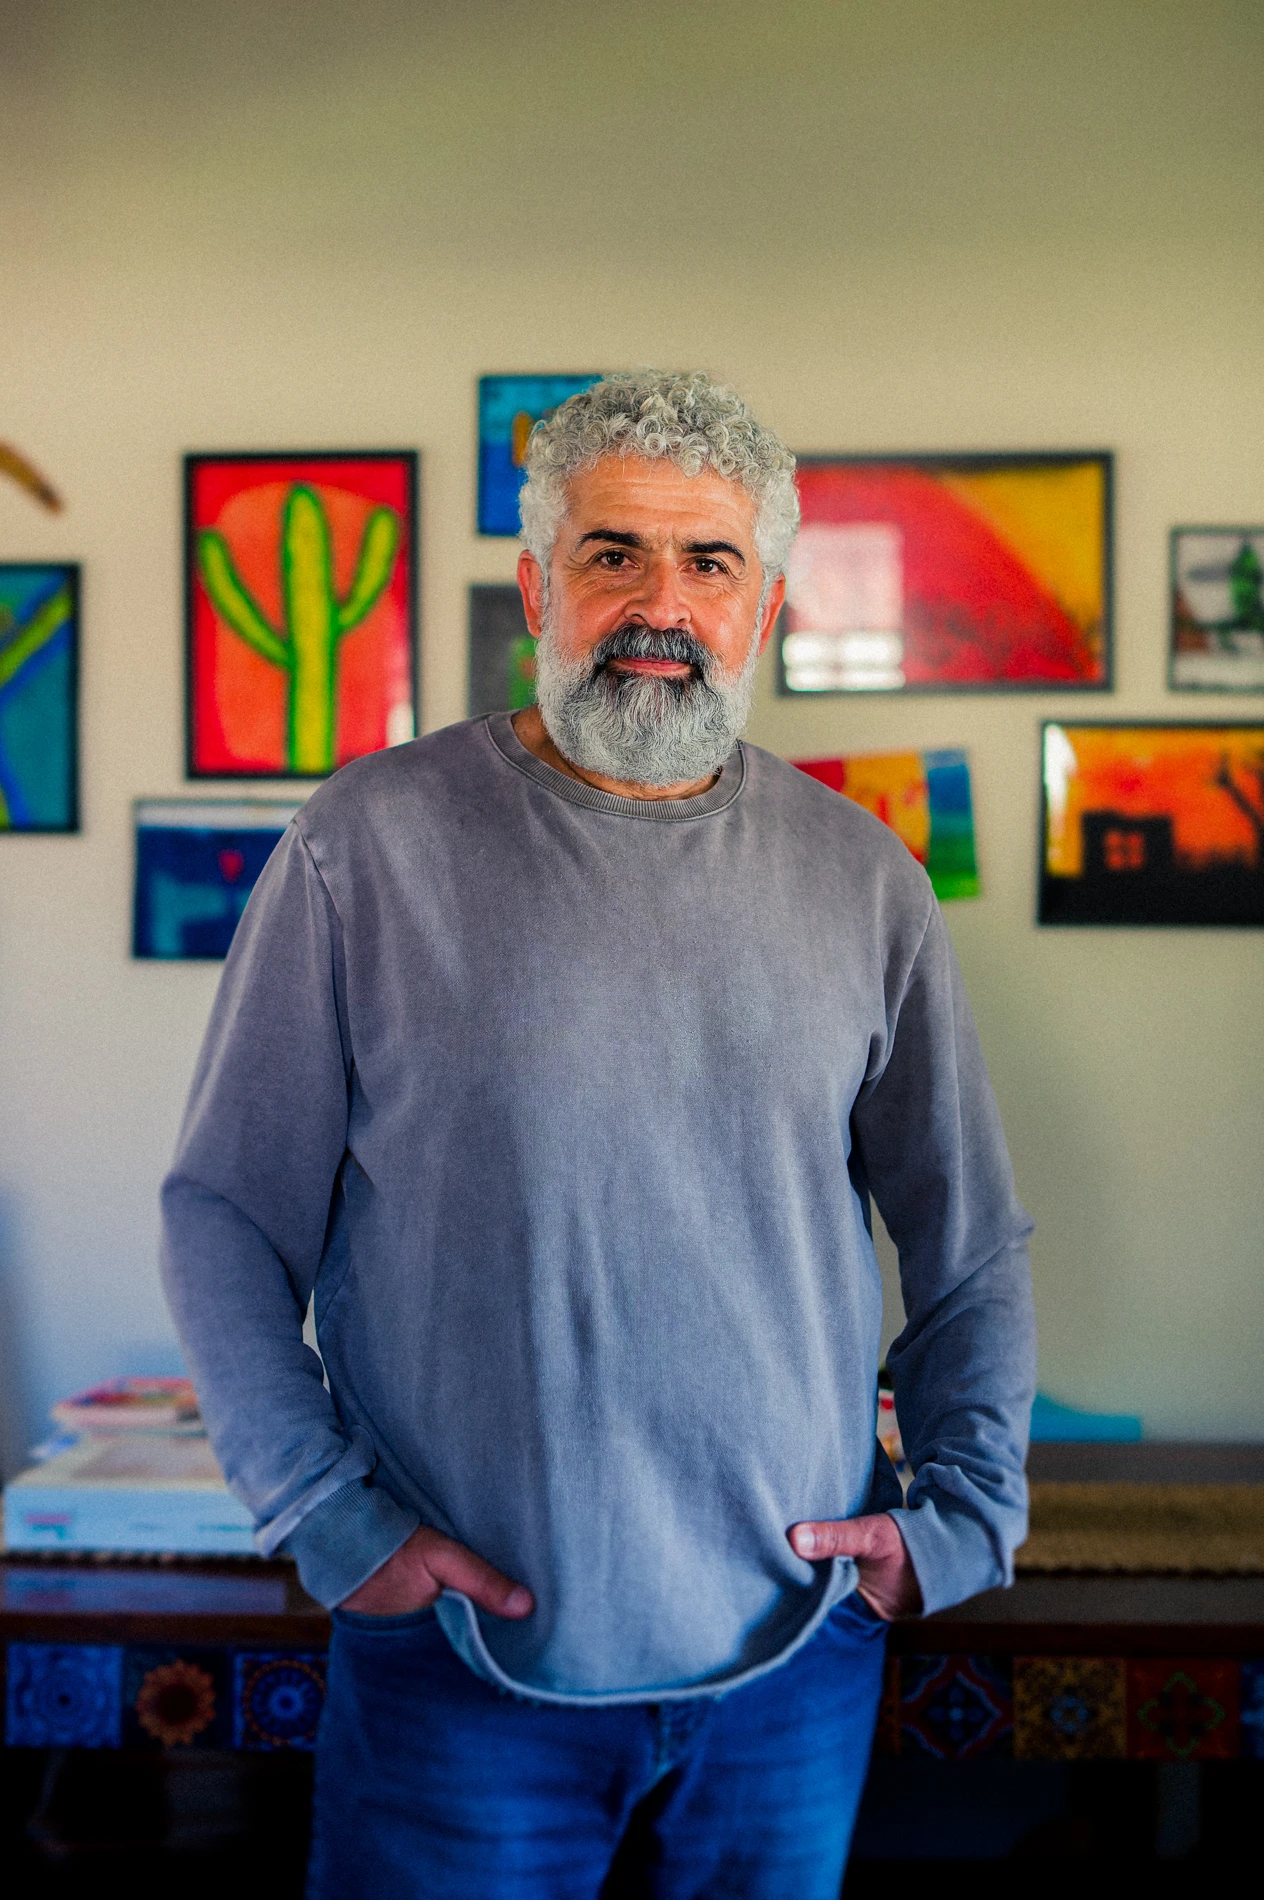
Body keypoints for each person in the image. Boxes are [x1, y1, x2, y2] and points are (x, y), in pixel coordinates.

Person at [162, 370, 1035, 1899]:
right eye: (612, 552)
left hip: (792, 1656)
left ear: (764, 604)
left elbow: (967, 1241)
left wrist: (958, 1521)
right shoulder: (363, 846)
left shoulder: (866, 880)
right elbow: (224, 1213)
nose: (660, 604)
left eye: (709, 563)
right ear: (535, 585)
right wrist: (324, 1514)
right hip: (461, 1660)